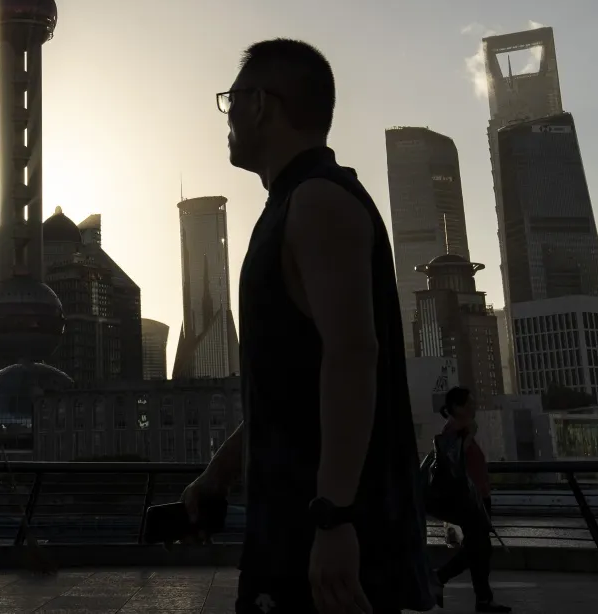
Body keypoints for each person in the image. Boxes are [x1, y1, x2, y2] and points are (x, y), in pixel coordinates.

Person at [184, 39, 430, 614]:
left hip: (328, 552)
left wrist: (335, 517)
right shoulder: (292, 203)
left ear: (263, 105)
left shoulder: (318, 201)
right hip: (293, 536)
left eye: (233, 100)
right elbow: (298, 385)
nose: (229, 115)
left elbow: (351, 356)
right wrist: (220, 473)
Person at [428, 387, 507, 612]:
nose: (474, 407)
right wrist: (470, 435)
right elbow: (456, 462)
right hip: (470, 501)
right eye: (469, 403)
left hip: (478, 498)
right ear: (456, 407)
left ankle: (483, 599)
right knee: (478, 549)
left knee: (478, 548)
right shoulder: (452, 431)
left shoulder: (461, 429)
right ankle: (440, 578)